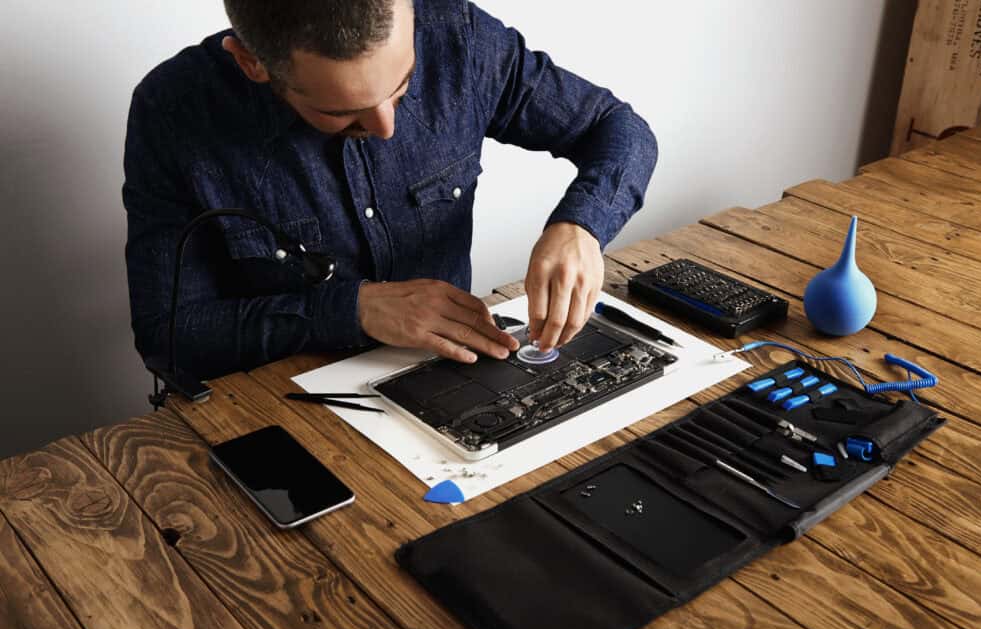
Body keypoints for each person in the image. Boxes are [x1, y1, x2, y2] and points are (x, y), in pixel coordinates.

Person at [123, 0, 657, 379]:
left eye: (401, 87)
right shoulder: (176, 111)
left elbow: (618, 129)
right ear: (253, 63)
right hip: (286, 413)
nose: (385, 128)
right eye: (342, 112)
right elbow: (169, 334)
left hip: (458, 378)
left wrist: (579, 226)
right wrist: (352, 309)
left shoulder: (457, 36)